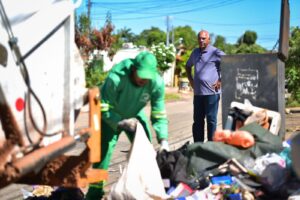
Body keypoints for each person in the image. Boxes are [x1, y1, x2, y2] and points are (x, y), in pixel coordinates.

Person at [86, 51, 169, 200]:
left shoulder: (156, 83)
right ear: (133, 69)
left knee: (146, 153)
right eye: (141, 75)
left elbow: (159, 113)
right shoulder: (116, 77)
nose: (144, 80)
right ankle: (93, 195)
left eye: (147, 76)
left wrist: (163, 140)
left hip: (134, 113)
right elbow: (103, 105)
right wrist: (118, 121)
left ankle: (145, 191)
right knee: (102, 156)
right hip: (110, 115)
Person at [185, 30, 225, 143]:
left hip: (212, 93)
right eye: (199, 38)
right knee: (198, 121)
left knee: (211, 121)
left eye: (203, 38)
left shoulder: (215, 52)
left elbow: (229, 63)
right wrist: (191, 80)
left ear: (209, 39)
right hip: (198, 94)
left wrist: (221, 80)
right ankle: (199, 146)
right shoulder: (195, 52)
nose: (201, 40)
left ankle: (211, 146)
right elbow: (188, 66)